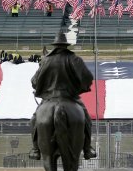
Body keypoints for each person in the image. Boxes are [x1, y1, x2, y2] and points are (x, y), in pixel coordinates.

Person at [29, 32, 96, 161]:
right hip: (70, 97)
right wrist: (80, 88)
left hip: (49, 98)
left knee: (34, 120)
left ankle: (35, 149)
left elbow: (34, 82)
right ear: (65, 46)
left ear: (55, 46)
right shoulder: (74, 59)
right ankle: (87, 149)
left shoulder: (46, 59)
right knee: (86, 118)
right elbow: (88, 78)